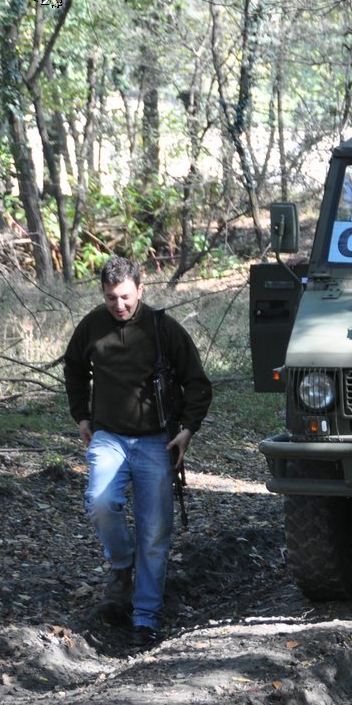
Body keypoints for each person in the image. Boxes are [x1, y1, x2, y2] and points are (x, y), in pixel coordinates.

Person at [64, 258, 213, 646]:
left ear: (141, 290)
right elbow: (74, 369)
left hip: (155, 441)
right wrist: (81, 415)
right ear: (103, 294)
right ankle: (121, 564)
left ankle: (145, 617)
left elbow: (197, 382)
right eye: (111, 298)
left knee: (154, 532)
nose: (119, 305)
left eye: (126, 297)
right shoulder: (92, 326)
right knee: (100, 500)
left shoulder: (163, 329)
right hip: (108, 436)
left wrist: (187, 431)